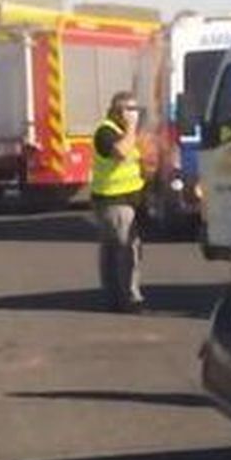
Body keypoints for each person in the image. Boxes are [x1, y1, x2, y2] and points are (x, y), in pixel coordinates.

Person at [91, 91, 147, 313]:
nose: (134, 114)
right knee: (126, 251)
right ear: (117, 111)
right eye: (130, 109)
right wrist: (132, 128)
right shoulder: (105, 132)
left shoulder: (122, 132)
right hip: (114, 200)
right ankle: (129, 298)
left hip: (127, 200)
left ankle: (114, 296)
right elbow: (121, 153)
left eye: (136, 109)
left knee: (112, 250)